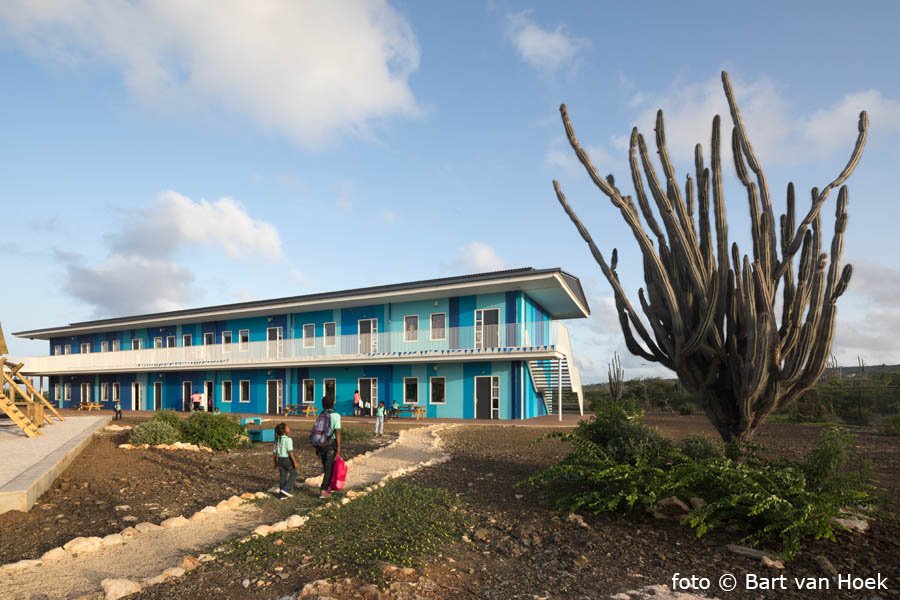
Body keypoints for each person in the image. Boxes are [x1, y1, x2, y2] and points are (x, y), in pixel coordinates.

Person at [317, 395, 341, 498]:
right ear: (332, 404)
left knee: (326, 467)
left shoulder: (321, 415)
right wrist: (339, 448)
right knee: (328, 468)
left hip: (321, 444)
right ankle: (323, 490)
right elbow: (338, 432)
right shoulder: (336, 415)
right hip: (331, 445)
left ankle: (327, 488)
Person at [273, 423, 299, 499]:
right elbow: (290, 452)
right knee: (294, 473)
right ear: (284, 431)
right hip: (286, 460)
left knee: (282, 476)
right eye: (287, 427)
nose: (289, 428)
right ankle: (286, 489)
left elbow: (274, 453)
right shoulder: (288, 439)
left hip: (279, 460)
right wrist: (295, 462)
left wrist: (275, 462)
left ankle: (282, 495)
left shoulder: (277, 440)